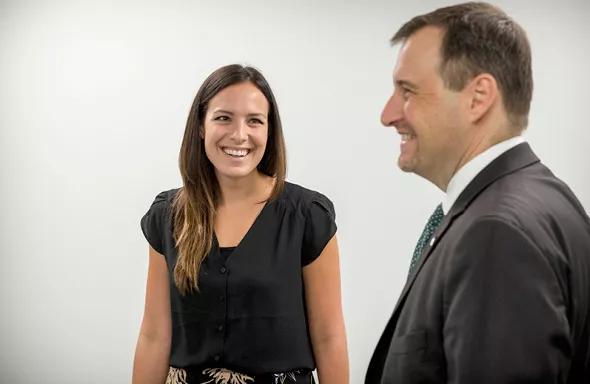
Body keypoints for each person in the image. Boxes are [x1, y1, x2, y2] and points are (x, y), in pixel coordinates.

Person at [365, 3, 590, 383]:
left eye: (407, 91)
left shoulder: (496, 234)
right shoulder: (545, 200)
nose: (387, 114)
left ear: (479, 97)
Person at [133, 64, 349, 384]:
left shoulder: (307, 216)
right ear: (202, 126)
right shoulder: (168, 216)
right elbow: (154, 335)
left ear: (269, 131)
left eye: (254, 121)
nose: (239, 134)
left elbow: (329, 336)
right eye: (223, 117)